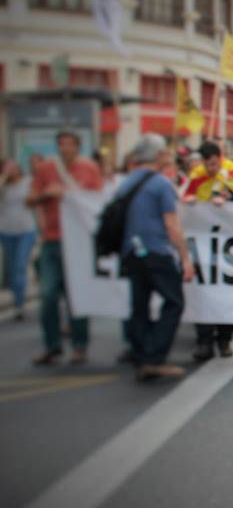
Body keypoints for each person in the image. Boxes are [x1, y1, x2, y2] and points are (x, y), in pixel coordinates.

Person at [114, 134, 194, 380]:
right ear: (159, 156)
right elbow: (172, 224)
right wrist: (185, 258)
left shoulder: (127, 182)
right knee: (174, 302)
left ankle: (141, 355)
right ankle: (155, 357)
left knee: (139, 305)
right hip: (156, 251)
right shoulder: (160, 183)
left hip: (132, 253)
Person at [26, 131, 103, 365]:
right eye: (62, 145)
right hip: (52, 239)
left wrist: (72, 194)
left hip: (78, 241)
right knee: (48, 295)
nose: (65, 149)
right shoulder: (46, 169)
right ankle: (53, 345)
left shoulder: (89, 168)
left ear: (77, 147)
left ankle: (79, 346)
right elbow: (30, 199)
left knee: (76, 295)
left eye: (70, 145)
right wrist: (45, 195)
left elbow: (98, 202)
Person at [183, 141, 233, 361]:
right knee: (203, 292)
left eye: (214, 164)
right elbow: (186, 198)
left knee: (226, 294)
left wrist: (228, 200)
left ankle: (224, 340)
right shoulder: (198, 174)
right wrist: (190, 201)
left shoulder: (232, 172)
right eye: (207, 165)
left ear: (220, 157)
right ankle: (204, 341)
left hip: (229, 245)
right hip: (204, 244)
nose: (211, 169)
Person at [0, 159, 37, 321]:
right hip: (7, 230)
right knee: (13, 267)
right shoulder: (3, 186)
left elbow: (33, 201)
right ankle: (17, 299)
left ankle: (19, 303)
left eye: (14, 167)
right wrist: (3, 178)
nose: (12, 170)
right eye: (8, 168)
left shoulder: (28, 182)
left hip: (26, 230)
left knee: (20, 266)